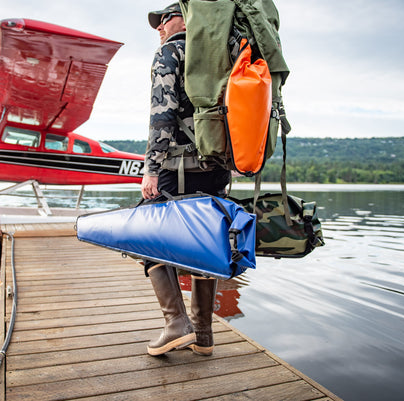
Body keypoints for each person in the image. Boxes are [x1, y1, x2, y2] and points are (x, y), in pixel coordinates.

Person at [142, 2, 231, 357]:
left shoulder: (170, 52)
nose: (159, 28)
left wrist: (151, 168)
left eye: (163, 20)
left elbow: (161, 114)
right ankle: (204, 335)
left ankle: (177, 323)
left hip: (177, 168)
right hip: (217, 168)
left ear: (183, 18)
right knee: (204, 241)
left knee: (145, 235)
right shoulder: (218, 52)